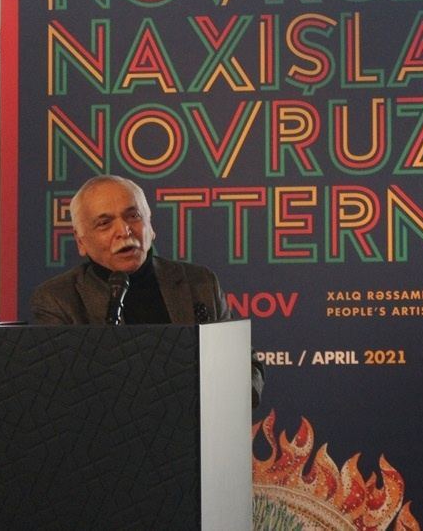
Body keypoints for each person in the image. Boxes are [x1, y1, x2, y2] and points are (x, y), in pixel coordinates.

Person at [30, 174, 263, 407]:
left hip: (196, 423)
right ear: (81, 241)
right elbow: (59, 393)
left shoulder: (199, 283)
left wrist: (225, 402)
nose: (124, 231)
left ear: (150, 227)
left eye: (133, 216)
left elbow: (246, 367)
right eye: (104, 223)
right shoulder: (58, 300)